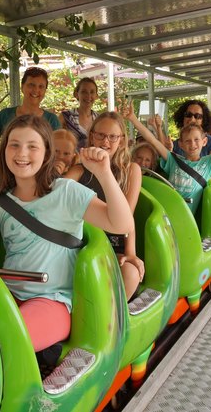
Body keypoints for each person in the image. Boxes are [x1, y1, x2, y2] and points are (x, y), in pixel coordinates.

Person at [0, 115, 133, 352]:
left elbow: (121, 224)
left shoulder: (67, 192)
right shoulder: (1, 202)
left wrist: (104, 174)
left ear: (46, 153)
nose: (22, 153)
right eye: (14, 145)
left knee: (7, 340)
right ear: (4, 152)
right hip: (7, 294)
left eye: (32, 146)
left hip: (53, 299)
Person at [65, 112, 144, 300]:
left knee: (131, 274)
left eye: (112, 137)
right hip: (81, 245)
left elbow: (127, 217)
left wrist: (130, 253)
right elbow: (57, 197)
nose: (105, 142)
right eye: (100, 135)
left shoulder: (131, 170)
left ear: (122, 140)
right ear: (92, 136)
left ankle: (111, 321)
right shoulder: (78, 170)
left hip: (114, 244)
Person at [0, 67, 61, 167]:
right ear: (22, 87)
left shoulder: (52, 120)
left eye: (41, 87)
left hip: (41, 177)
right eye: (31, 85)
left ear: (45, 91)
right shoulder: (5, 115)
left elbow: (58, 153)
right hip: (9, 175)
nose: (36, 90)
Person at [59, 77, 100, 149]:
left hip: (94, 158)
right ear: (76, 94)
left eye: (92, 92)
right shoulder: (65, 117)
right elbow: (55, 141)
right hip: (71, 159)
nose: (88, 96)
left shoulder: (100, 119)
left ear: (96, 96)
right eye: (84, 92)